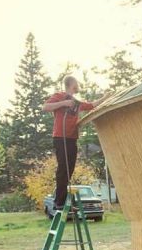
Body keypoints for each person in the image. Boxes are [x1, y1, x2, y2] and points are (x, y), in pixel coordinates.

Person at [42, 76, 103, 210]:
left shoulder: (77, 102)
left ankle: (63, 203)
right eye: (76, 83)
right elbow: (45, 107)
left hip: (72, 138)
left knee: (70, 169)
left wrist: (105, 98)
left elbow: (91, 105)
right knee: (63, 168)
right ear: (71, 84)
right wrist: (63, 104)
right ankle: (59, 203)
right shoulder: (59, 96)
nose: (78, 85)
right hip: (60, 137)